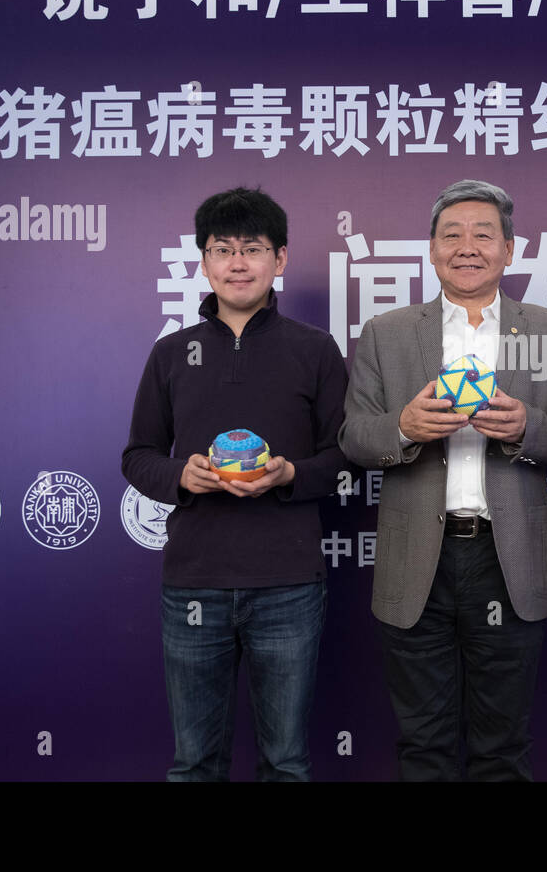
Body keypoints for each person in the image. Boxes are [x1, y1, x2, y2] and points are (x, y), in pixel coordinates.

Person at [339, 179, 547, 781]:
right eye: (451, 234)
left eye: (484, 234)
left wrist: (527, 426)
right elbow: (352, 437)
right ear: (431, 249)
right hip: (416, 557)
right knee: (423, 743)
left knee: (502, 745)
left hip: (508, 557)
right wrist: (403, 426)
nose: (467, 247)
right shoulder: (386, 333)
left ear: (510, 249)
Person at [121, 187, 349, 781]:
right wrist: (184, 475)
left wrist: (290, 473)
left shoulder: (315, 350)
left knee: (287, 763)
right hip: (195, 581)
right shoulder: (171, 353)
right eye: (223, 249)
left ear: (281, 259)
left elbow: (344, 456)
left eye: (254, 248)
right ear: (204, 260)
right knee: (195, 763)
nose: (238, 262)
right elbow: (138, 456)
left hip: (288, 584)